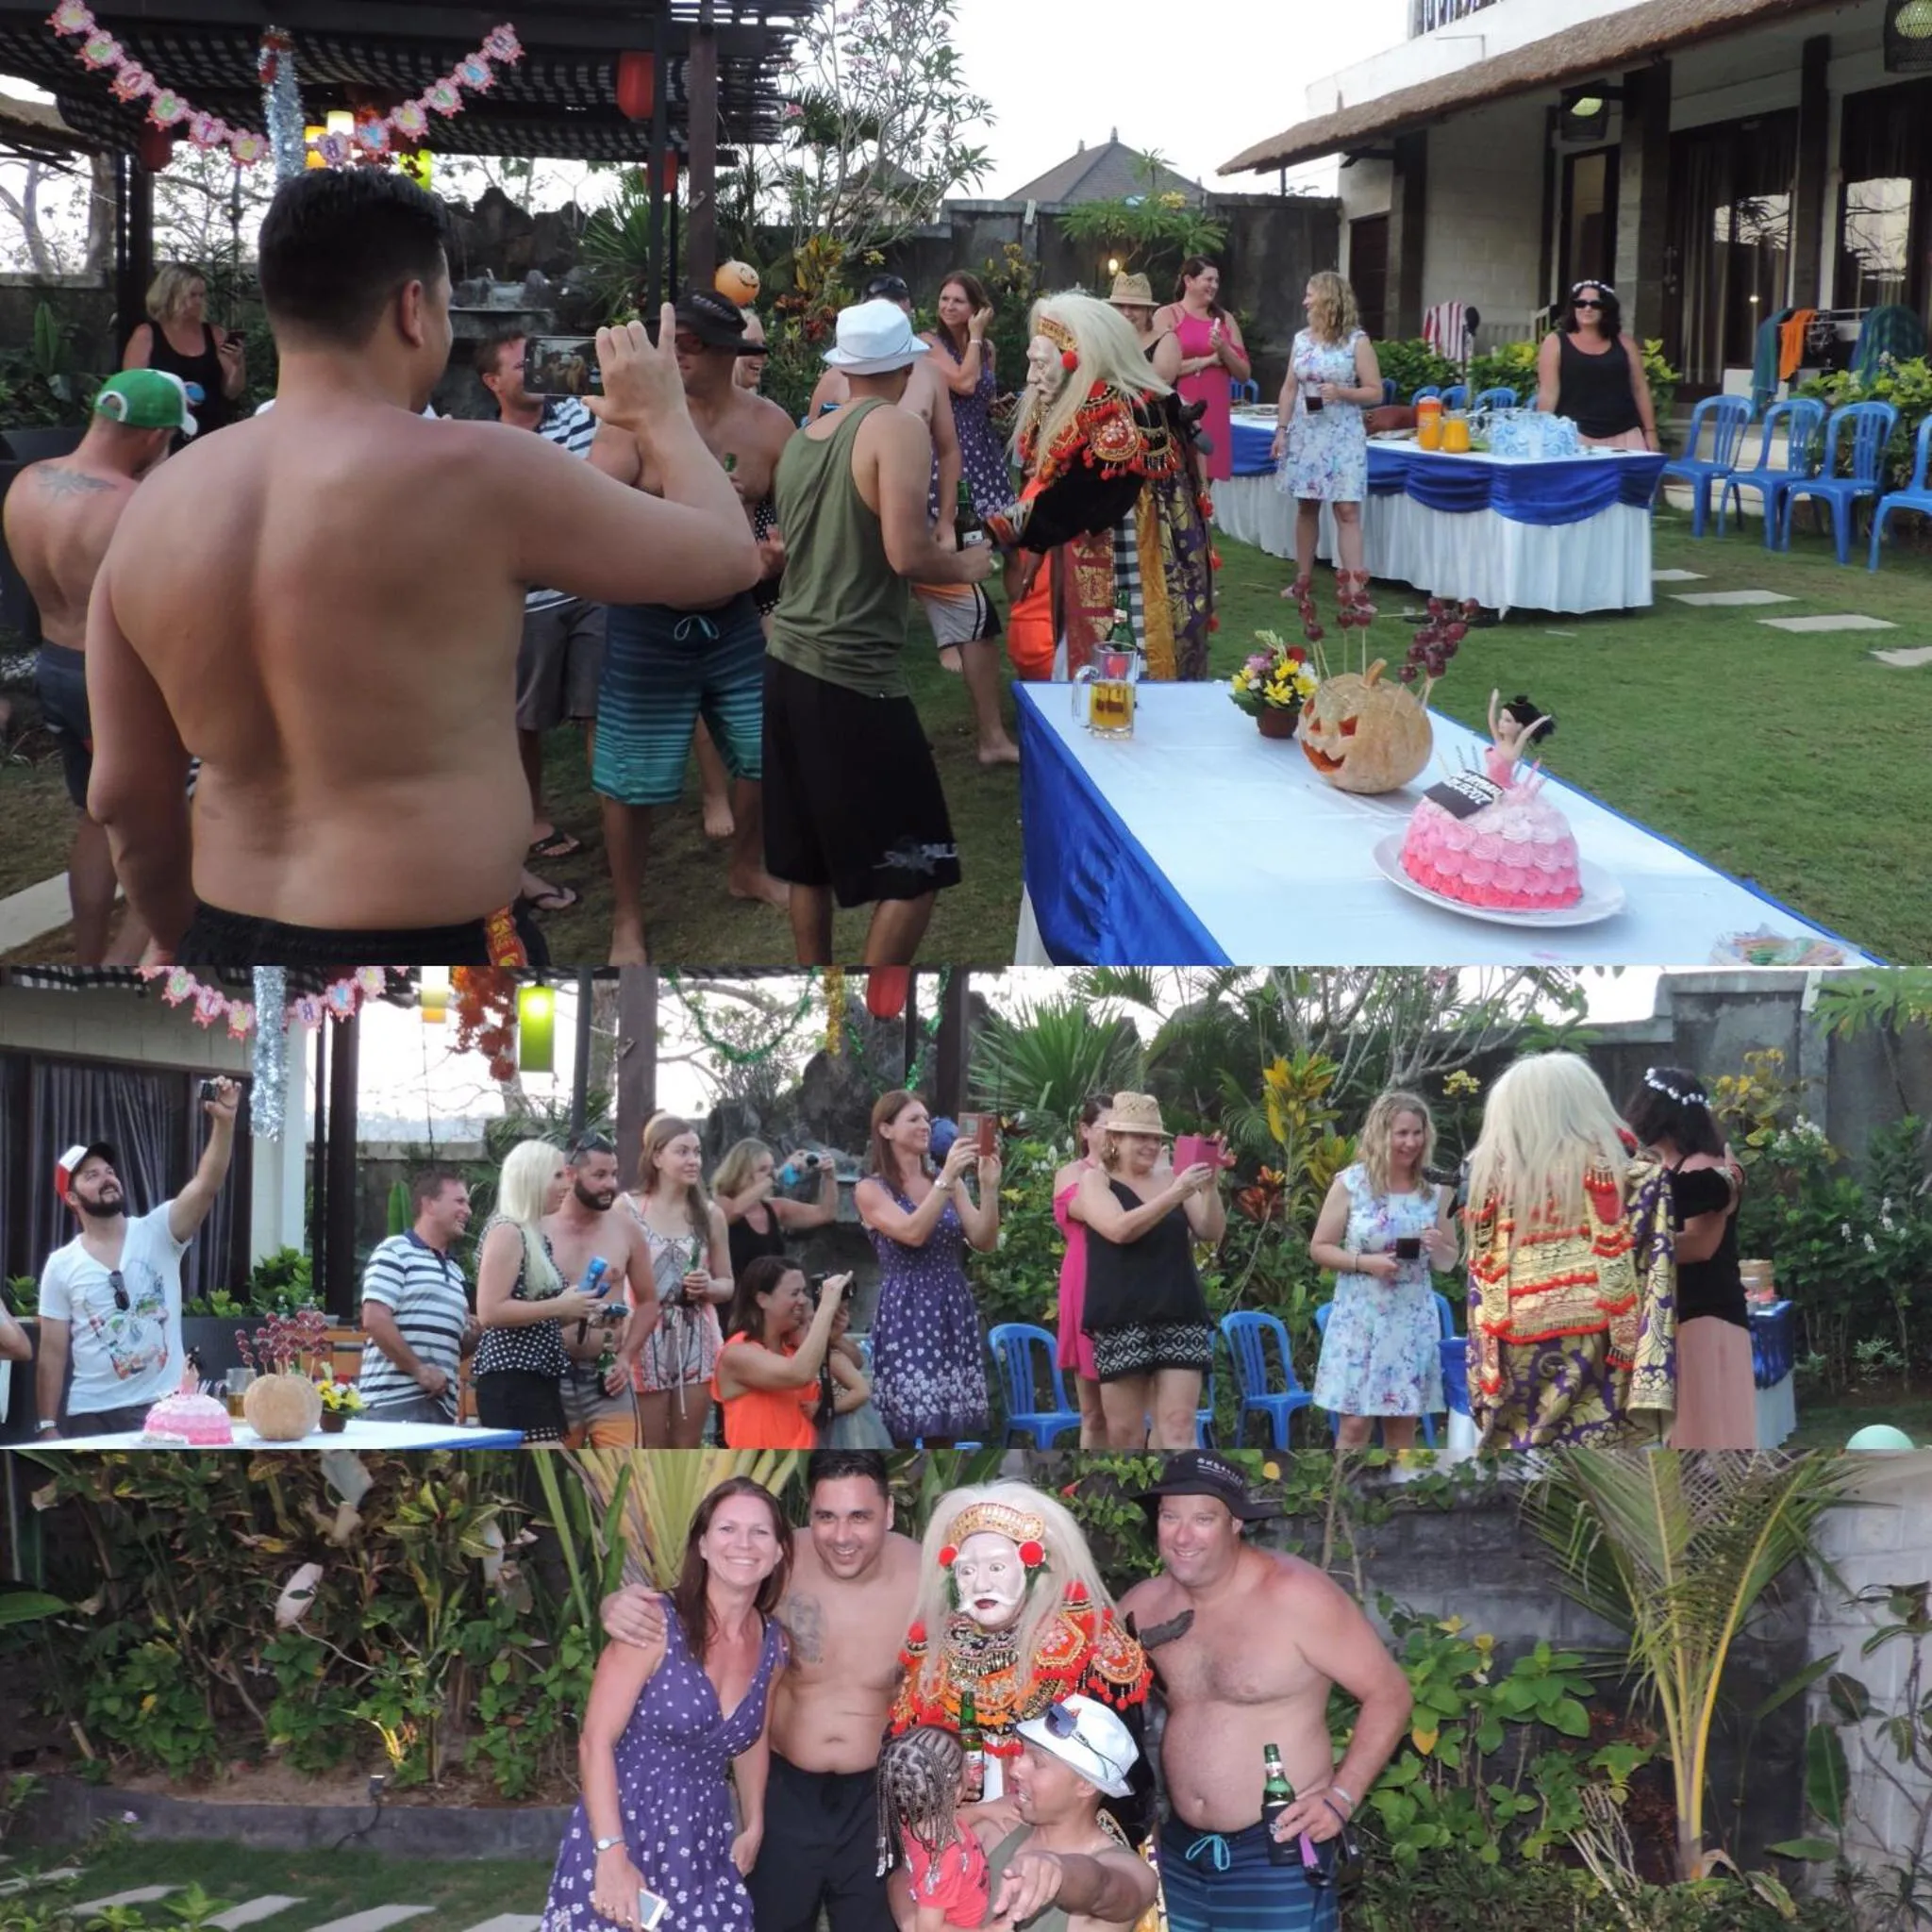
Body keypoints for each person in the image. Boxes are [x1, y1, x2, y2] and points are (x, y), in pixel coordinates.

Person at [86, 168, 759, 966]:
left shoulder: (153, 506)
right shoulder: (481, 471)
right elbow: (727, 558)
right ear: (413, 308)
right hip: (439, 944)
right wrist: (664, 416)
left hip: (227, 934)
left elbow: (123, 797)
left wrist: (180, 940)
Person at [602, 1449, 924, 1932]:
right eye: (826, 1517)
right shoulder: (778, 1560)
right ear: (809, 1512)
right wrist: (615, 1603)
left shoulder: (924, 1575)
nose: (841, 1536)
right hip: (784, 1790)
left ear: (890, 1512)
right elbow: (692, 1598)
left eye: (860, 1517)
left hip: (877, 1796)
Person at [764, 300, 994, 967]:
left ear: (843, 365)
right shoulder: (897, 428)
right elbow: (906, 553)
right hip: (852, 674)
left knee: (808, 863)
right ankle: (867, 1005)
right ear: (908, 365)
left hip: (785, 665)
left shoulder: (802, 440)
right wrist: (965, 566)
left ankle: (823, 991)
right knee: (918, 866)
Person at [1121, 1452, 1414, 1932]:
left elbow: (1390, 1693)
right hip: (1178, 1850)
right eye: (1170, 1517)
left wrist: (1341, 1796)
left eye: (1202, 1519)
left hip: (1279, 1848)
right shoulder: (1142, 1606)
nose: (1182, 1536)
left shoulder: (1296, 1596)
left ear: (1235, 1523)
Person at [587, 290, 796, 961]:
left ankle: (747, 867)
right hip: (649, 618)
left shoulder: (770, 427)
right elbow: (591, 511)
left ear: (731, 353)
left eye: (692, 343)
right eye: (669, 341)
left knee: (766, 751)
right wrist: (670, 501)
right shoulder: (630, 424)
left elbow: (796, 524)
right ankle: (626, 918)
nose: (674, 353)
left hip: (734, 616)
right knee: (629, 782)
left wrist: (775, 554)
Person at [541, 1476, 791, 1932]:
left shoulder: (774, 1645)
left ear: (777, 1552)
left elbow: (753, 1740)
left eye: (760, 1532)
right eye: (727, 1529)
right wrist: (611, 1854)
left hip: (705, 1840)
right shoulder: (654, 1622)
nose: (743, 1543)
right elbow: (596, 1741)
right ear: (703, 1544)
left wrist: (754, 1823)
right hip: (626, 1824)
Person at [3, 371, 188, 963]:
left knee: (95, 816)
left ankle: (87, 959)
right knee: (166, 828)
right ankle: (125, 967)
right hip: (115, 681)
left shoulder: (26, 483)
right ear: (154, 436)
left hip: (54, 665)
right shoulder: (136, 506)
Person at [475, 327, 629, 908]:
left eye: (539, 360)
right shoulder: (488, 444)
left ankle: (617, 819)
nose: (536, 371)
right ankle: (533, 818)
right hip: (530, 603)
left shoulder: (577, 415)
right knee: (525, 719)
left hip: (590, 588)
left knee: (601, 709)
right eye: (522, 366)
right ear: (493, 381)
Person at [984, 295, 1209, 682]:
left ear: (1077, 358)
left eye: (1041, 363)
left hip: (1131, 555)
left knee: (1126, 660)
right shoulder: (1081, 399)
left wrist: (993, 531)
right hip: (1084, 548)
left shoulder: (1124, 411)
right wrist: (1038, 540)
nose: (1031, 377)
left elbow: (1082, 498)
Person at [1464, 1051, 1676, 1448]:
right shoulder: (1636, 1178)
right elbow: (1657, 1278)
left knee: (1525, 1462)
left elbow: (1478, 1292)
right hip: (1604, 1350)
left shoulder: (1486, 1185)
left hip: (1510, 1349)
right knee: (1600, 1463)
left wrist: (1480, 1377)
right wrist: (1651, 1378)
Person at [891, 1484, 1152, 1800]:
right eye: (967, 1570)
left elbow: (1115, 1770)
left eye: (997, 1567)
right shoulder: (936, 1652)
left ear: (1032, 1568)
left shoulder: (1082, 1643)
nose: (981, 1584)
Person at [32, 1081, 242, 1440]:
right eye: (91, 1176)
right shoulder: (61, 1264)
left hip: (165, 1407)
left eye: (109, 1171)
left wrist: (224, 1122)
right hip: (92, 1415)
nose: (107, 1179)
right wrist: (47, 1425)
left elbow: (206, 1186)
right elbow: (52, 1353)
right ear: (72, 1198)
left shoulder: (159, 1230)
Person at [1071, 1092, 1224, 1452]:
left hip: (1179, 1309)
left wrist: (1210, 1187)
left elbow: (1210, 1230)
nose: (1151, 1146)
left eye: (1156, 1138)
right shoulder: (1095, 1181)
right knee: (1125, 1433)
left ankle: (1178, 1481)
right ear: (1115, 1139)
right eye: (1141, 1137)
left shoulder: (1173, 1177)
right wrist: (1176, 1193)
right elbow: (1118, 1229)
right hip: (1121, 1315)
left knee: (1179, 1425)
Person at [1307, 1090, 1457, 1453]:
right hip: (1360, 1316)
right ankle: (1345, 1488)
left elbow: (1449, 1261)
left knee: (1401, 1425)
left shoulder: (1437, 1189)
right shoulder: (1351, 1183)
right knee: (1354, 1424)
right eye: (1401, 1133)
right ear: (1381, 1133)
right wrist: (1365, 1263)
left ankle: (1398, 1489)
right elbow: (1320, 1247)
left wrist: (1438, 1245)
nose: (1411, 1142)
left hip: (1410, 1317)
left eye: (1417, 1133)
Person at [856, 1089, 997, 1447]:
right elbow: (912, 1233)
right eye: (913, 1119)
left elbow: (984, 1240)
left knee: (944, 1428)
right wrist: (946, 1177)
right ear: (886, 1129)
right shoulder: (871, 1189)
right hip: (907, 1308)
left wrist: (988, 1187)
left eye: (926, 1118)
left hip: (950, 1304)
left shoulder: (948, 1183)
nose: (925, 1125)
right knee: (904, 1425)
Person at [1625, 1066, 1755, 1452]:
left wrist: (1629, 1251)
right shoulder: (1663, 1168)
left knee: (1707, 1438)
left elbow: (1701, 1245)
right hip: (1677, 1319)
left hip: (1706, 1319)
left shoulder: (1704, 1165)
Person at [974, 1699, 1162, 1932]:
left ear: (1085, 1785)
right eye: (1022, 1753)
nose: (1014, 1770)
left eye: (1037, 1762)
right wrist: (973, 1812)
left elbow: (1104, 1888)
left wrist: (1059, 1871)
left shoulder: (1132, 1872)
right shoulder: (995, 1829)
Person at [472, 1139, 606, 1443]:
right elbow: (490, 1311)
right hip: (511, 1377)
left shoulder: (536, 1236)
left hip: (537, 1375)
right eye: (557, 1176)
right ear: (531, 1178)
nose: (567, 1185)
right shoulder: (507, 1230)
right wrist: (559, 1306)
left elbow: (537, 1318)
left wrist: (582, 1309)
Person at [1271, 272, 1382, 614]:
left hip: (1343, 434)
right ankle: (1302, 580)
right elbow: (1290, 387)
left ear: (1329, 299)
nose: (1305, 301)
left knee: (1346, 509)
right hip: (1307, 433)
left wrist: (1343, 392)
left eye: (1310, 295)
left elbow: (1375, 391)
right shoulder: (1301, 340)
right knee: (1306, 505)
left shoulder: (1356, 342)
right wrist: (1281, 430)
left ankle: (1355, 590)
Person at [620, 1113, 733, 1450]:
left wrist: (709, 1286)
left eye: (697, 1152)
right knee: (650, 1444)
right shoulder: (627, 1209)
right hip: (643, 1332)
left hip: (697, 1334)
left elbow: (728, 1284)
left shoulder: (710, 1214)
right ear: (657, 1157)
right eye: (682, 1151)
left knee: (688, 1444)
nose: (693, 1160)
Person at [549, 1132, 659, 1451]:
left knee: (624, 1468)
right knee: (556, 1469)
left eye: (614, 1174)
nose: (611, 1184)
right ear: (571, 1174)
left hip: (607, 1374)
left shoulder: (627, 1228)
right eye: (599, 1175)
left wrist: (625, 1359)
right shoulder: (541, 1226)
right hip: (550, 1373)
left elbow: (649, 1302)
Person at [357, 1166, 477, 1424]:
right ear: (429, 1204)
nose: (467, 1211)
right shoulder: (394, 1251)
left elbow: (449, 1348)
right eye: (459, 1201)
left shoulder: (456, 1271)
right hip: (392, 1404)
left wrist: (474, 1337)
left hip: (441, 1408)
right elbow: (374, 1318)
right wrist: (419, 1370)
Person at [713, 1257, 868, 1450]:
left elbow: (856, 1362)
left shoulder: (794, 1344)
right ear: (762, 1299)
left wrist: (834, 1338)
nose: (802, 1300)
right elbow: (798, 1374)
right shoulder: (737, 1353)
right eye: (794, 1293)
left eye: (804, 1292)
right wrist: (826, 1308)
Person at [877, 1726, 991, 1932]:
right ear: (956, 1791)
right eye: (966, 1767)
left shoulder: (914, 1819)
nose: (971, 1774)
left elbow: (957, 1819)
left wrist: (989, 1810)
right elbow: (928, 1929)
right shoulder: (944, 1858)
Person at [1154, 258, 1249, 484]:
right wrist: (1207, 360)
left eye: (1217, 281)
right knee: (1177, 476)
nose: (1214, 286)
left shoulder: (1225, 320)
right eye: (1208, 279)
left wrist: (1224, 350)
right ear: (1189, 281)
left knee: (1206, 480)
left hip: (1214, 408)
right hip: (1179, 406)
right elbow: (1158, 370)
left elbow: (1244, 374)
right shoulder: (1168, 315)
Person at [1535, 280, 1661, 451]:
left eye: (1595, 304)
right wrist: (1541, 435)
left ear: (1606, 309)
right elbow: (1548, 393)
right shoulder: (1555, 342)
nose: (1587, 308)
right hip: (1573, 436)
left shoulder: (1625, 343)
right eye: (1580, 303)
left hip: (1625, 435)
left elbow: (1639, 388)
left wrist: (1651, 432)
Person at [122, 265, 245, 440]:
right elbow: (131, 390)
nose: (198, 301)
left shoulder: (215, 335)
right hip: (162, 435)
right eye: (192, 295)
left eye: (202, 295)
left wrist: (237, 366)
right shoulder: (147, 336)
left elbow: (231, 392)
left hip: (210, 434)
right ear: (170, 295)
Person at [1053, 1097, 1112, 1449]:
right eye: (1107, 1126)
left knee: (1130, 1412)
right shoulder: (1072, 1173)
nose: (1115, 1134)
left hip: (1128, 1282)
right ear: (1085, 1130)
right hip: (1086, 1283)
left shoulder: (1135, 1175)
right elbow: (1090, 1211)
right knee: (1093, 1413)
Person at [712, 1139, 841, 1285]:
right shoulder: (721, 1203)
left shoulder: (775, 1207)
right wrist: (776, 1174)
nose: (769, 1175)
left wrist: (829, 1177)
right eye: (763, 1170)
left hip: (769, 1294)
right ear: (742, 1173)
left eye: (772, 1168)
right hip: (735, 1294)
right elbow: (734, 1211)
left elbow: (826, 1214)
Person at [1107, 274, 1183, 385]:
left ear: (1149, 311)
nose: (1126, 313)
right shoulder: (1106, 337)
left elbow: (1162, 381)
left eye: (1134, 307)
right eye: (1120, 306)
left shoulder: (1166, 340)